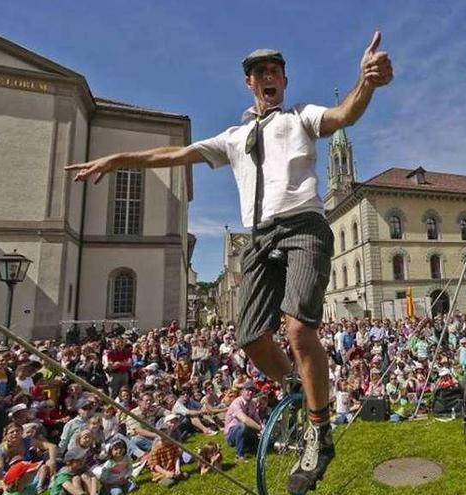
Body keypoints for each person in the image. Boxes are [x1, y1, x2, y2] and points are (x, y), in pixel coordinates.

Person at [67, 30, 393, 495]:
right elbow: (173, 153)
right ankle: (296, 388)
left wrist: (367, 84)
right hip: (259, 239)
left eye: (275, 71)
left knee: (299, 329)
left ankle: (320, 433)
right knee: (250, 337)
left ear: (283, 79)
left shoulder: (301, 117)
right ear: (249, 84)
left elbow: (344, 115)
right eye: (259, 73)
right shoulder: (234, 137)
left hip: (302, 225)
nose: (268, 77)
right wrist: (121, 158)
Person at [223, 383, 262, 461]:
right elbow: (244, 419)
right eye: (248, 390)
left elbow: (257, 419)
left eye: (253, 391)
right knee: (242, 425)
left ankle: (253, 445)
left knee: (259, 441)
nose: (250, 392)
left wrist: (264, 427)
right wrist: (260, 429)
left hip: (246, 432)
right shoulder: (236, 403)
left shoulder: (252, 403)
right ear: (242, 392)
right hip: (231, 435)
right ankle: (239, 455)